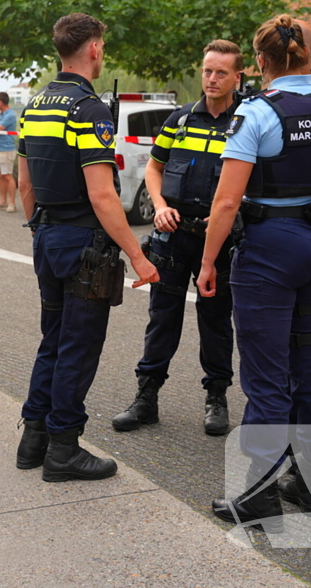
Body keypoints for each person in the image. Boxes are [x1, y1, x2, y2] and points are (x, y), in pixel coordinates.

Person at [196, 14, 311, 528]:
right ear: (307, 55)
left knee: (267, 373)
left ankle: (260, 492)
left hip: (272, 250)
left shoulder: (258, 113)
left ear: (261, 62)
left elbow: (226, 202)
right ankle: (309, 484)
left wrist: (206, 263)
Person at [15, 13, 158, 483]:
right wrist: (137, 254)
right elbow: (102, 194)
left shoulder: (36, 105)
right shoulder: (87, 107)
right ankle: (63, 450)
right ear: (93, 48)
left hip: (48, 238)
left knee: (53, 339)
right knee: (78, 346)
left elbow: (24, 184)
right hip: (82, 245)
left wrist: (41, 231)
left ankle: (33, 438)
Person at [112, 39, 243, 437]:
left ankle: (216, 399)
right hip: (171, 238)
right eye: (207, 70)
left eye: (221, 72)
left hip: (218, 243)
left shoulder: (248, 122)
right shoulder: (180, 118)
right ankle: (146, 398)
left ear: (239, 76)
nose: (212, 78)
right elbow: (154, 169)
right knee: (161, 322)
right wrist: (159, 204)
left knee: (217, 324)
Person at [0, 92, 19, 213]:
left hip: (7, 149)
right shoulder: (0, 114)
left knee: (8, 176)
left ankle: (12, 203)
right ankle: (2, 201)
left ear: (0, 102)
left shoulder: (10, 114)